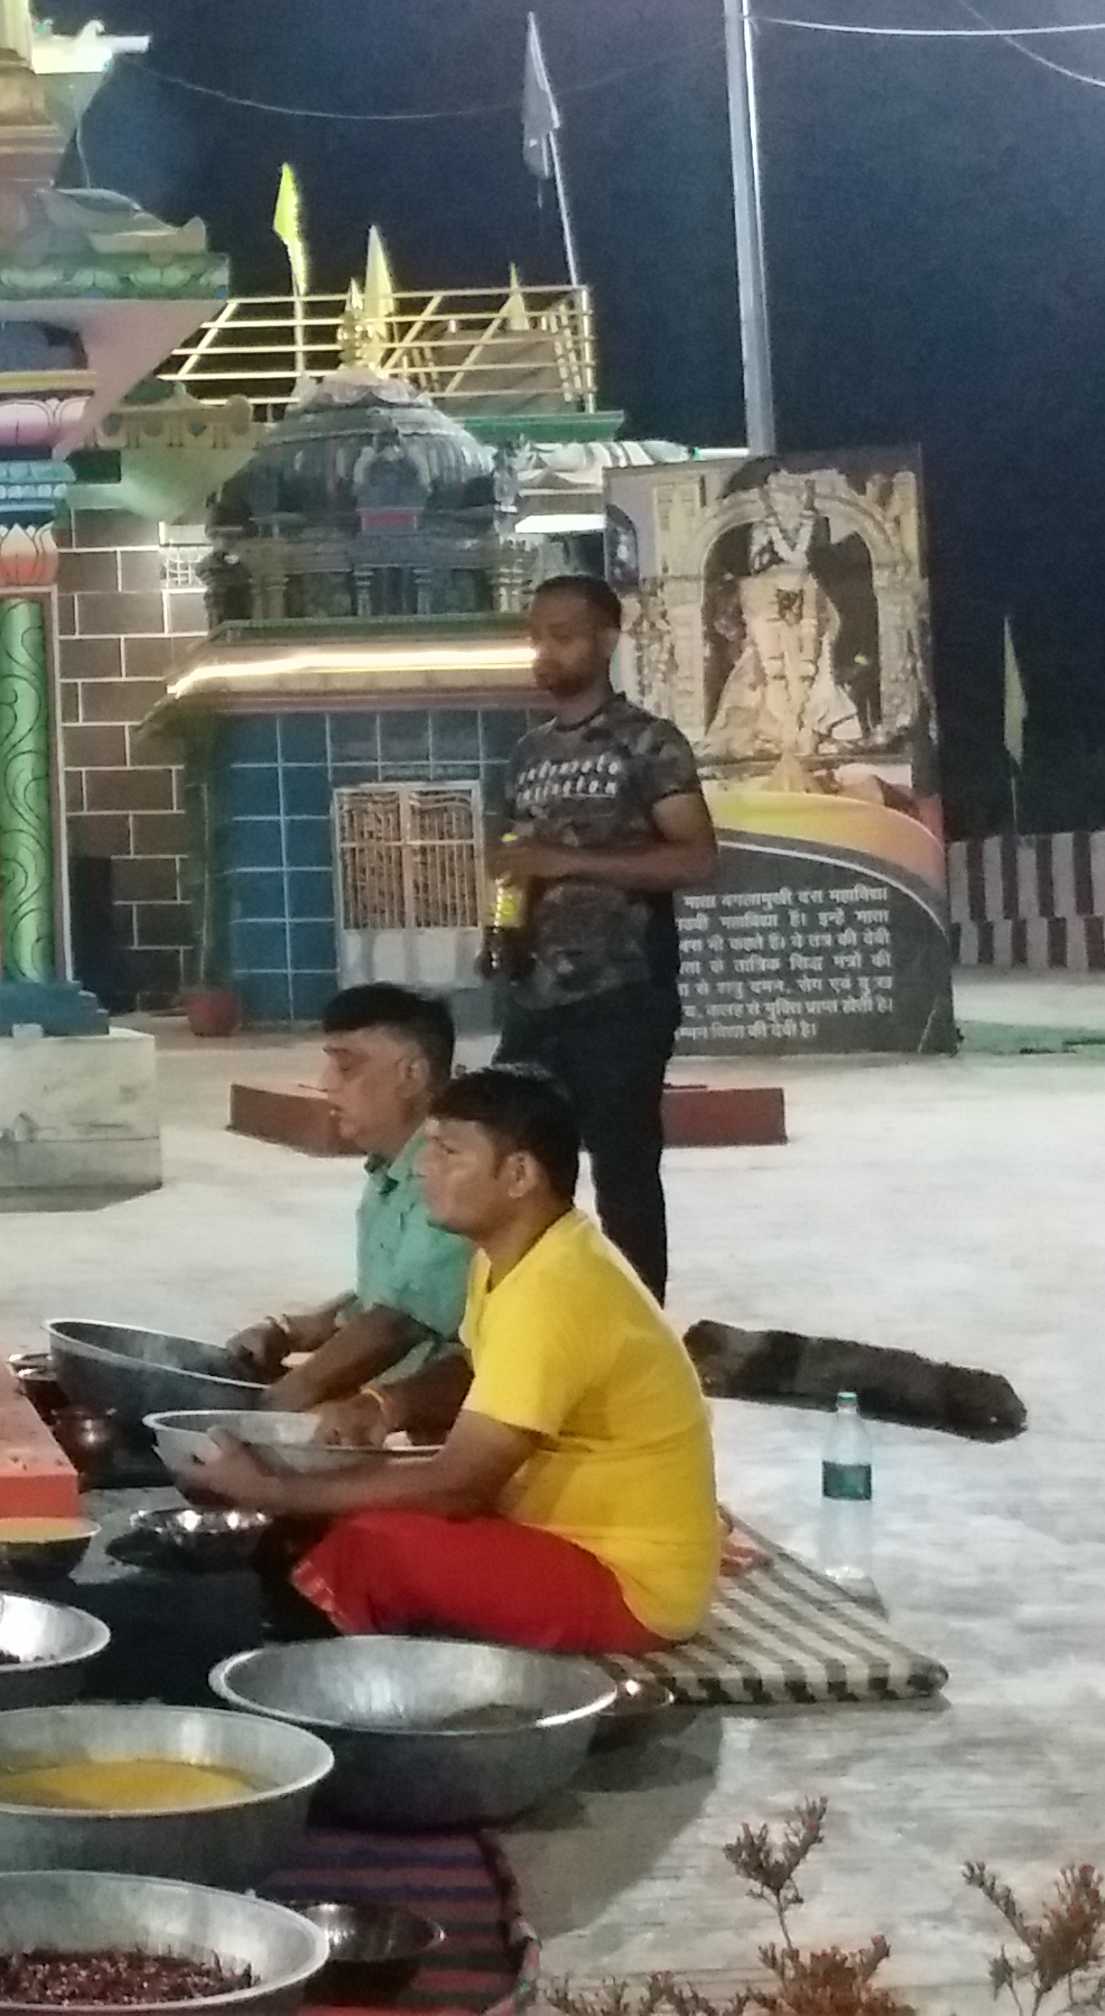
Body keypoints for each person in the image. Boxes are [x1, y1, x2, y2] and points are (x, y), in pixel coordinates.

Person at [199, 1066, 720, 1655]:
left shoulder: (556, 1290)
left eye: (449, 1152)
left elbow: (459, 1486)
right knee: (340, 1513)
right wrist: (387, 1402)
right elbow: (479, 1364)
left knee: (374, 1549)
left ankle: (312, 1697)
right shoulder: (513, 1253)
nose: (424, 1167)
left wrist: (270, 1488)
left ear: (519, 1173)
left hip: (628, 1586)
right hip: (554, 1537)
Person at [493, 573, 717, 1294]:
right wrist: (509, 924)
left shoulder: (648, 743)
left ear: (606, 640)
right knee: (510, 1160)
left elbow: (697, 856)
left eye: (561, 635)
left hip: (622, 995)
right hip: (534, 999)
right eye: (536, 636)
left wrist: (563, 861)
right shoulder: (527, 755)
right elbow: (519, 859)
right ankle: (529, 1317)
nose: (544, 651)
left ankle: (638, 1333)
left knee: (622, 1172)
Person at [216, 984, 477, 1438]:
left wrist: (265, 1410)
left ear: (412, 1075)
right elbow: (383, 1296)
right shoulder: (388, 1170)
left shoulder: (450, 1179)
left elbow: (396, 1324)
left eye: (346, 1066)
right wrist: (292, 1329)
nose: (325, 1084)